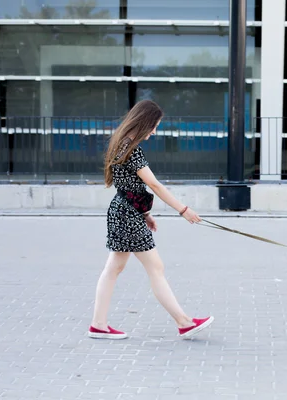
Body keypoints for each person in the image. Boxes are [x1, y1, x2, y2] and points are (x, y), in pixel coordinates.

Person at [88, 99, 213, 340]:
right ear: (145, 122)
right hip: (127, 214)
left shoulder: (120, 143)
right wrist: (183, 209)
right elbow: (153, 184)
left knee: (114, 267)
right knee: (154, 267)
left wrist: (145, 214)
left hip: (124, 211)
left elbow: (127, 185)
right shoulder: (131, 150)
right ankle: (183, 321)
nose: (154, 131)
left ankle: (98, 324)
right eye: (154, 126)